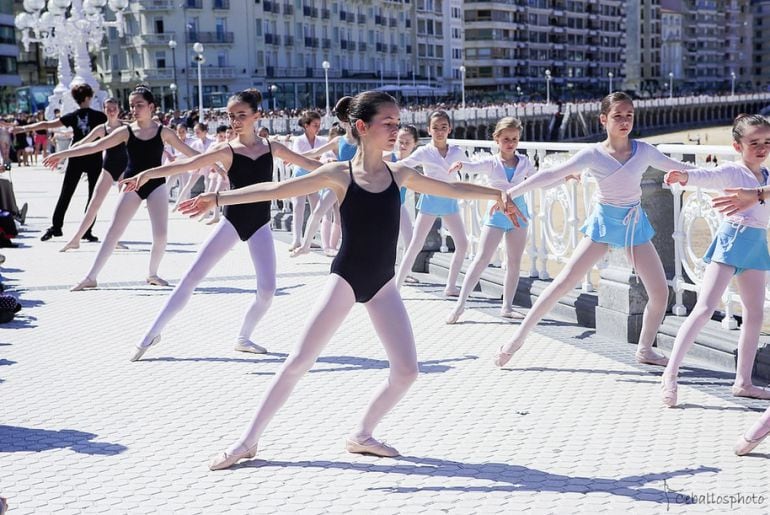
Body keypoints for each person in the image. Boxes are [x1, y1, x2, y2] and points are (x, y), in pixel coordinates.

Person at [177, 91, 521, 470]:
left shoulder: (400, 172)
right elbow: (275, 189)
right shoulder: (339, 174)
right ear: (362, 126)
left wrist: (497, 192)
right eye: (387, 123)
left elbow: (453, 190)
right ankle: (247, 441)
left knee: (407, 372)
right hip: (346, 278)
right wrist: (219, 198)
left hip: (382, 284)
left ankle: (362, 435)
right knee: (298, 362)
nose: (396, 129)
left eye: (397, 122)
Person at [494, 92, 695, 368]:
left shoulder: (644, 150)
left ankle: (645, 349)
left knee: (660, 293)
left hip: (633, 226)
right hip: (603, 225)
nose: (624, 121)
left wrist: (729, 180)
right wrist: (511, 192)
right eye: (617, 116)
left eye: (629, 115)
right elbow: (550, 174)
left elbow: (682, 168)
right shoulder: (593, 153)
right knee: (562, 283)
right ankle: (516, 340)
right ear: (603, 119)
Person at [122, 89, 323, 361]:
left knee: (267, 290)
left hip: (261, 224)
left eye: (242, 115)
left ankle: (243, 337)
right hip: (231, 222)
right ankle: (150, 334)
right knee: (190, 279)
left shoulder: (273, 147)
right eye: (231, 116)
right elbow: (186, 164)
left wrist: (350, 166)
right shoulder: (226, 150)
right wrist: (147, 174)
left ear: (257, 116)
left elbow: (312, 165)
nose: (235, 121)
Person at [661, 114, 770, 405]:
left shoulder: (766, 176)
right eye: (754, 143)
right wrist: (683, 177)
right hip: (731, 241)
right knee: (705, 308)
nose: (762, 148)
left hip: (757, 247)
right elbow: (707, 177)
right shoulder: (734, 171)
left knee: (755, 315)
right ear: (737, 146)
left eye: (767, 142)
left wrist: (759, 195)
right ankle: (670, 374)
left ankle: (743, 381)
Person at [43, 86, 198, 291]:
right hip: (132, 184)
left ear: (151, 107)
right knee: (113, 232)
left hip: (156, 185)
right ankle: (91, 277)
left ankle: (152, 274)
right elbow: (94, 146)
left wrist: (218, 164)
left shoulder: (164, 132)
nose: (134, 109)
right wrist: (61, 154)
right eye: (132, 105)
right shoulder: (125, 131)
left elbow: (191, 153)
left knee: (161, 235)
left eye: (139, 105)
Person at [445, 117, 535, 323]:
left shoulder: (525, 162)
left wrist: (565, 177)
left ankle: (507, 306)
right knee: (481, 259)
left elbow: (541, 178)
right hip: (496, 216)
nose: (510, 143)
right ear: (497, 139)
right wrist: (460, 165)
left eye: (514, 138)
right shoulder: (491, 163)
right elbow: (473, 166)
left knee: (514, 262)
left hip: (519, 218)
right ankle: (459, 306)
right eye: (506, 139)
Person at [394, 111, 469, 296]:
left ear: (450, 129)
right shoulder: (424, 151)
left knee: (463, 244)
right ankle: (396, 287)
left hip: (450, 202)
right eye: (435, 127)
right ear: (429, 129)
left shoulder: (457, 151)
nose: (440, 131)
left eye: (444, 127)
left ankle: (451, 286)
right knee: (415, 245)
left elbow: (472, 167)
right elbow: (405, 164)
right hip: (430, 201)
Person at [20, 84, 107, 242]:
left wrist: (23, 128)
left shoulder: (73, 115)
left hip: (76, 155)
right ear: (88, 98)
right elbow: (118, 124)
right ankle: (87, 230)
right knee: (93, 196)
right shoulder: (100, 116)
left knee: (66, 193)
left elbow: (47, 125)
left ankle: (56, 227)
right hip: (94, 156)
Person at [59, 98, 129, 252]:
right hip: (108, 168)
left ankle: (115, 239)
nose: (111, 111)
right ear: (104, 109)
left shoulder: (127, 127)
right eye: (108, 108)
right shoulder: (101, 129)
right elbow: (83, 143)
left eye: (114, 108)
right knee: (94, 204)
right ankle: (76, 239)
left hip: (126, 169)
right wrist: (64, 154)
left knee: (123, 206)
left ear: (119, 109)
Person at [289, 110, 327, 250]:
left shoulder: (322, 140)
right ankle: (296, 240)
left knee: (316, 209)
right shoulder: (298, 140)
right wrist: (314, 158)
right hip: (300, 177)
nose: (318, 127)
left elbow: (321, 156)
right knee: (298, 207)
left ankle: (308, 239)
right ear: (306, 125)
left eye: (319, 124)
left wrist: (311, 158)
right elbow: (299, 159)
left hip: (315, 177)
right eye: (315, 125)